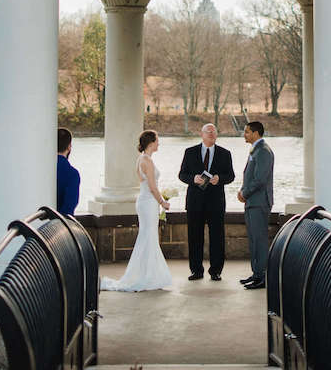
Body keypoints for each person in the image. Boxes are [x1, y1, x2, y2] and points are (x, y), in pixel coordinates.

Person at [101, 130, 173, 291]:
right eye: (157, 140)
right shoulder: (147, 161)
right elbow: (153, 187)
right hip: (148, 202)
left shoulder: (141, 159)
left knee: (148, 237)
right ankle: (146, 276)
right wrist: (163, 202)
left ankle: (149, 274)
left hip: (145, 201)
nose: (159, 143)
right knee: (148, 236)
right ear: (151, 142)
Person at [178, 123, 235, 281]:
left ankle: (216, 271)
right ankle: (196, 270)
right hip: (195, 202)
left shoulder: (225, 153)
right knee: (194, 236)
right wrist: (192, 179)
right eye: (208, 132)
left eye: (213, 132)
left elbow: (231, 176)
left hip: (216, 202)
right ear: (201, 134)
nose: (211, 134)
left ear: (217, 135)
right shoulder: (190, 152)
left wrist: (220, 179)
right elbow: (182, 174)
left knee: (217, 237)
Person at [237, 121, 274, 289]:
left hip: (259, 203)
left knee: (259, 240)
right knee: (253, 240)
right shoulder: (256, 149)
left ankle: (263, 277)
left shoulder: (264, 151)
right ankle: (256, 273)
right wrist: (243, 190)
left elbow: (260, 179)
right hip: (252, 202)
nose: (244, 134)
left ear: (256, 133)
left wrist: (245, 193)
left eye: (247, 132)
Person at [56, 127, 80, 216]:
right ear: (69, 147)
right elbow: (69, 207)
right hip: (57, 225)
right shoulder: (72, 173)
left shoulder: (41, 169)